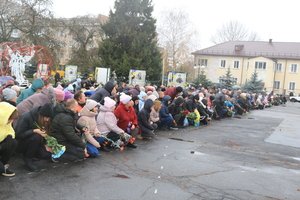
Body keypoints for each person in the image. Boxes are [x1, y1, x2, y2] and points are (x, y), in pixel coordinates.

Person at [15, 103, 54, 171]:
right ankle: (28, 158)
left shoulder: (45, 120)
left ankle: (34, 154)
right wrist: (33, 131)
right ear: (41, 115)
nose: (47, 120)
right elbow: (18, 135)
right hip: (21, 143)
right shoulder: (26, 117)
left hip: (37, 142)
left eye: (49, 118)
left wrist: (47, 144)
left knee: (46, 155)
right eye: (46, 117)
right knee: (36, 136)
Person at [0, 102, 18, 176]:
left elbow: (10, 132)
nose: (11, 121)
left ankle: (4, 163)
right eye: (10, 119)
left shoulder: (6, 123)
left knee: (13, 142)